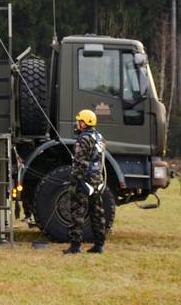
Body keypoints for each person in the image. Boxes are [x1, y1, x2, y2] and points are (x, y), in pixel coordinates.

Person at [63, 109, 107, 254]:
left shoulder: (83, 139)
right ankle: (99, 245)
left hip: (85, 180)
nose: (77, 124)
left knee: (78, 213)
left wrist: (74, 181)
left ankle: (75, 246)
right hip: (97, 180)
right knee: (97, 213)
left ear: (84, 123)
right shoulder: (99, 137)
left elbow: (81, 163)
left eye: (79, 121)